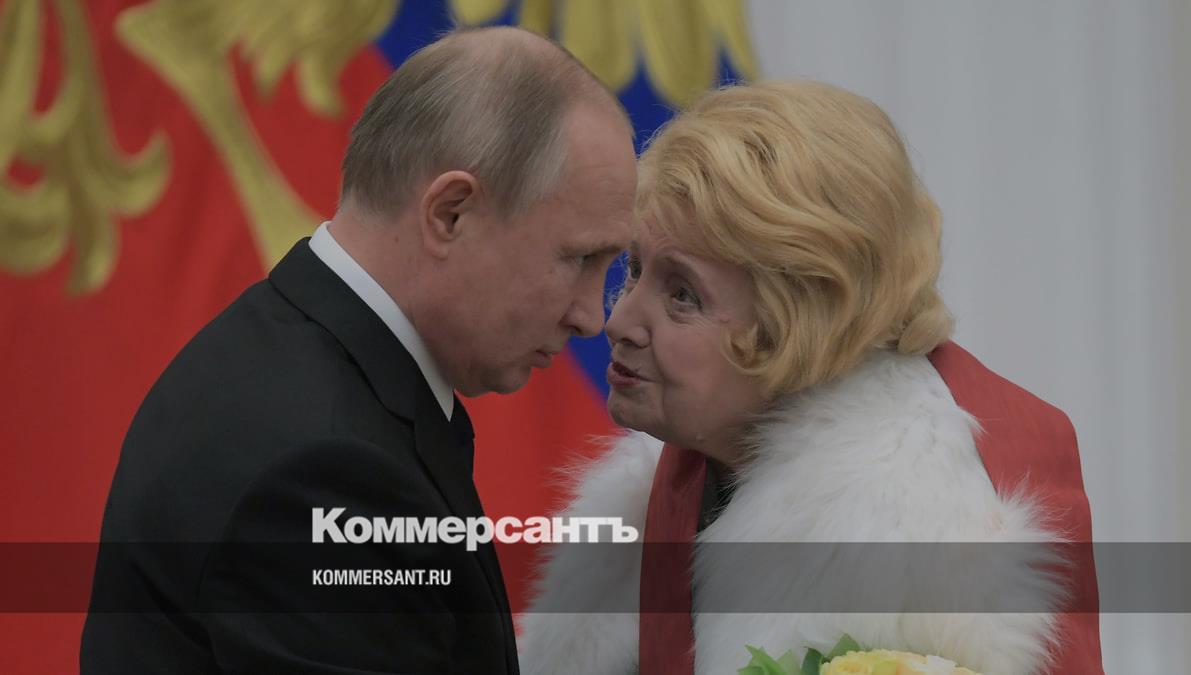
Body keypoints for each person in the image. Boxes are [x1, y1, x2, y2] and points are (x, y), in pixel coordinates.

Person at [82, 27, 635, 673]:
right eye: (579, 259)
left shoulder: (285, 365)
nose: (591, 317)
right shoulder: (323, 468)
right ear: (451, 213)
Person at [518, 81, 1103, 674]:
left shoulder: (935, 539)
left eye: (683, 295)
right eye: (635, 269)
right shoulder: (686, 468)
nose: (617, 321)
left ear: (802, 323)